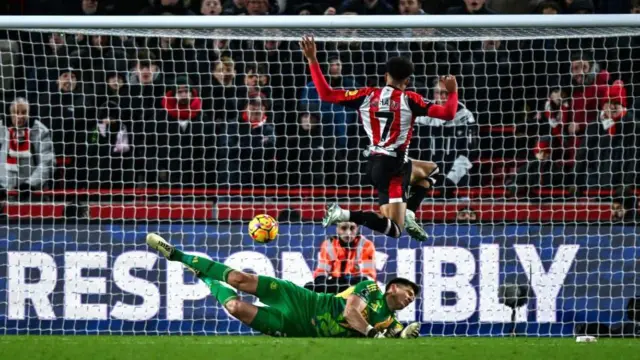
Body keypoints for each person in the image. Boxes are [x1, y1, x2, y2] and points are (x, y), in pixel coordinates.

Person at [299, 36, 459, 241]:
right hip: (395, 166)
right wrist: (453, 92)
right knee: (400, 223)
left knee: (426, 175)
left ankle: (407, 213)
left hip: (374, 163)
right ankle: (346, 215)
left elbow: (326, 94)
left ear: (386, 76)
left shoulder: (366, 95)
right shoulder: (411, 99)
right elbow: (448, 114)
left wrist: (312, 59)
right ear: (408, 81)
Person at [146, 233, 421, 338]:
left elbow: (398, 336)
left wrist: (405, 335)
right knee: (240, 279)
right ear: (392, 288)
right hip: (302, 300)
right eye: (408, 292)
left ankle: (204, 276)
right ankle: (178, 255)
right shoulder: (370, 287)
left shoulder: (390, 321)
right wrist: (373, 335)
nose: (410, 298)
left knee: (234, 306)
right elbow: (351, 313)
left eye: (413, 298)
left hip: (297, 329)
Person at [305, 221, 376, 294]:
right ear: (337, 229)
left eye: (352, 228)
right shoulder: (329, 244)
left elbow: (369, 277)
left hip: (355, 286)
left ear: (357, 229)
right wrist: (321, 282)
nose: (348, 233)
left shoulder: (366, 245)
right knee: (309, 287)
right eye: (344, 228)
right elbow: (322, 271)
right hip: (335, 285)